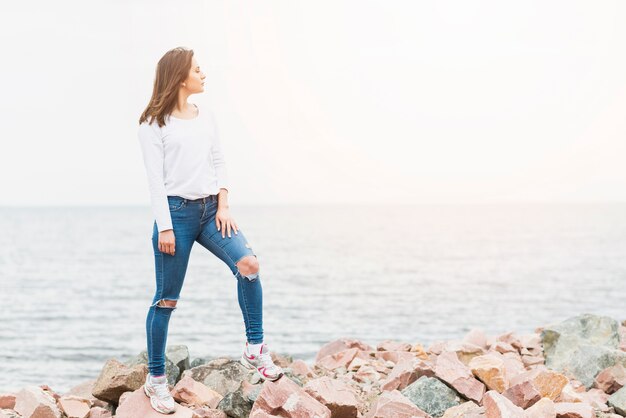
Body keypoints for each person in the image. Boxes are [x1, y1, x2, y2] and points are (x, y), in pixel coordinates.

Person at [137, 47, 283, 414]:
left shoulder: (206, 116)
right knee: (166, 299)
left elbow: (218, 160)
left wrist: (224, 203)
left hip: (211, 211)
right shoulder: (153, 123)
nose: (203, 75)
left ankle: (255, 349)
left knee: (249, 265)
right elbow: (155, 183)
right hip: (175, 214)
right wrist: (166, 228)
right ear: (180, 77)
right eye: (197, 70)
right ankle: (156, 380)